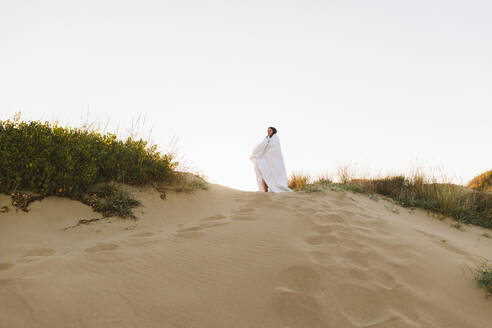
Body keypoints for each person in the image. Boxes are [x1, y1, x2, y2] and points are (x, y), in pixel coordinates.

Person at [250, 127, 292, 193]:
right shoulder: (267, 138)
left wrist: (259, 154)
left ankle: (276, 188)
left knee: (274, 175)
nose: (268, 132)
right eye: (267, 130)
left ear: (273, 131)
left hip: (273, 160)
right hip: (265, 158)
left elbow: (273, 150)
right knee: (258, 169)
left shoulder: (275, 138)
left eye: (270, 130)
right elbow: (262, 146)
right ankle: (262, 189)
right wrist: (256, 153)